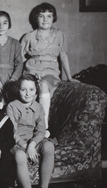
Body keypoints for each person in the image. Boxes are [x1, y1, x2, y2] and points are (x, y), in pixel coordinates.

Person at [20, 2, 79, 136]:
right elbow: (19, 58)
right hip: (31, 71)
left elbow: (63, 55)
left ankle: (43, 126)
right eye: (41, 16)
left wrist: (69, 77)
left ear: (54, 18)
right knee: (27, 89)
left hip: (50, 72)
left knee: (43, 85)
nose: (45, 19)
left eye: (49, 16)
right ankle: (26, 127)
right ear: (36, 18)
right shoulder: (29, 36)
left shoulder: (59, 35)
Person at [6, 74, 54, 188]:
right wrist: (25, 147)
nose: (28, 94)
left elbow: (41, 130)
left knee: (49, 146)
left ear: (36, 91)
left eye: (31, 90)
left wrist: (32, 144)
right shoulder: (12, 106)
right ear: (18, 90)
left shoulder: (38, 107)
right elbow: (12, 132)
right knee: (20, 156)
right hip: (18, 142)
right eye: (23, 90)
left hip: (34, 141)